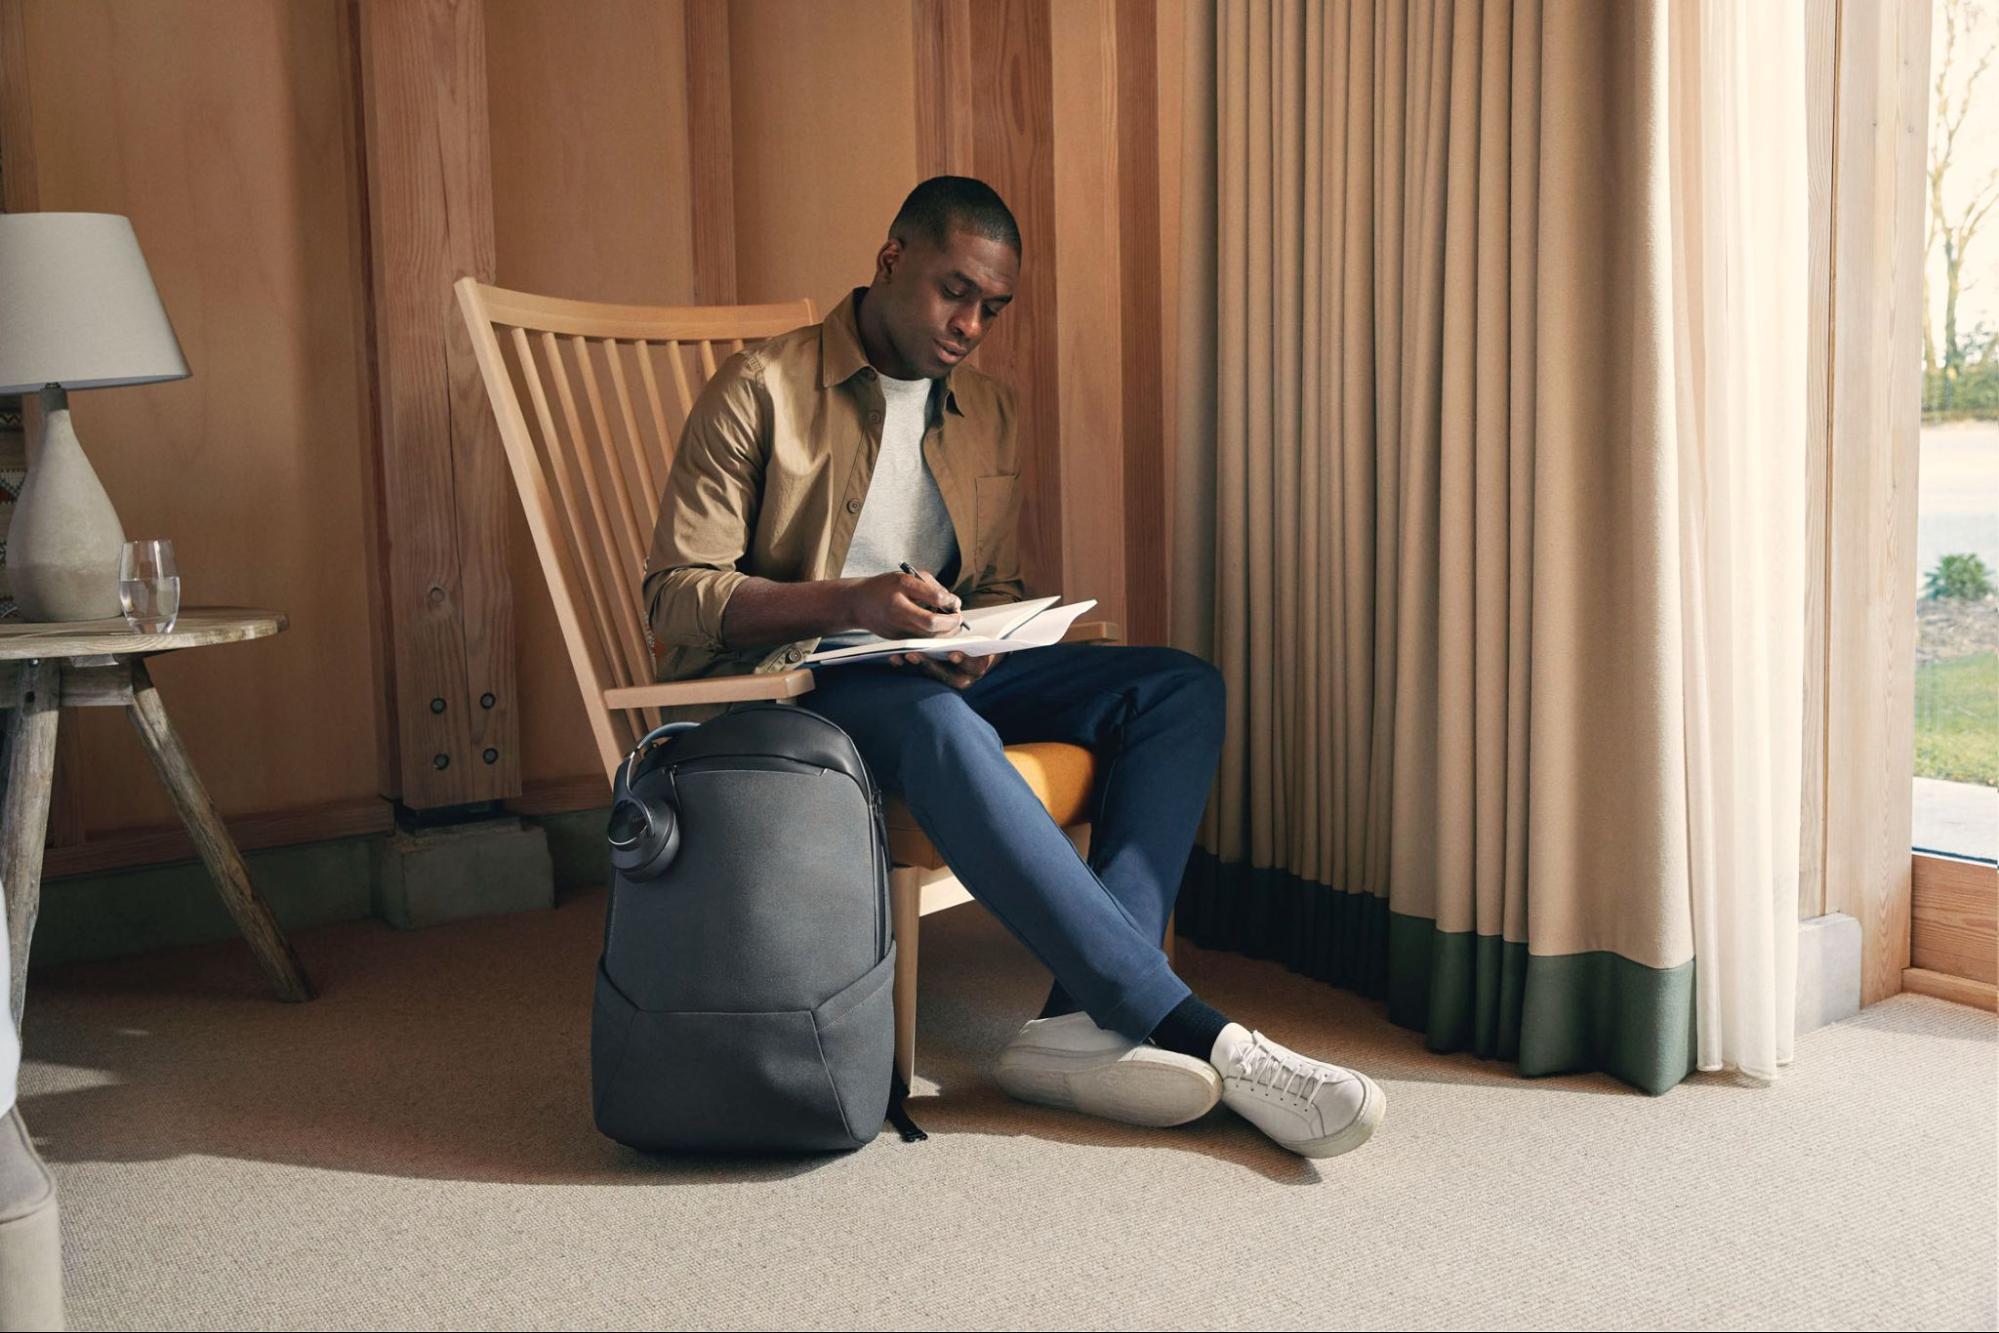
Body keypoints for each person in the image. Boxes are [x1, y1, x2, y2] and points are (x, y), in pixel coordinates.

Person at [642, 176, 1384, 1159]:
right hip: (803, 681)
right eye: (954, 291)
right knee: (940, 724)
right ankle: (1201, 1031)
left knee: (1173, 685)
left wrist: (987, 629)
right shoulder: (759, 390)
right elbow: (673, 595)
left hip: (926, 668)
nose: (970, 324)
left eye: (992, 306)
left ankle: (1077, 1017)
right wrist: (850, 601)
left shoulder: (985, 409)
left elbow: (982, 578)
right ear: (891, 257)